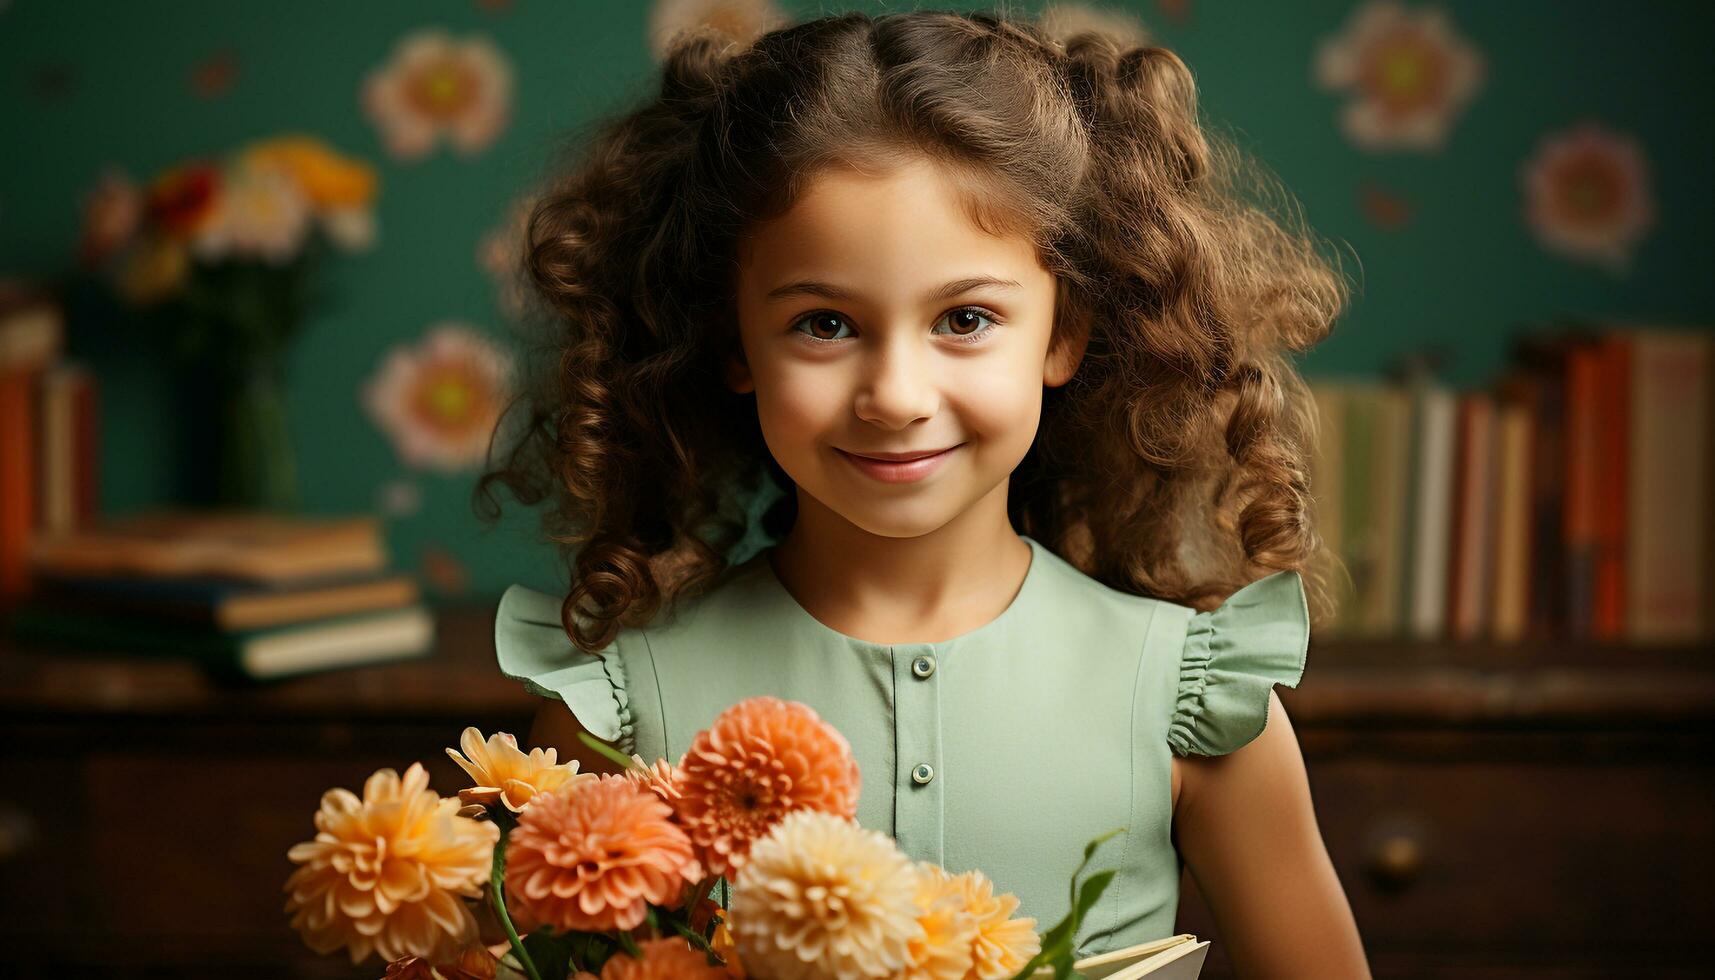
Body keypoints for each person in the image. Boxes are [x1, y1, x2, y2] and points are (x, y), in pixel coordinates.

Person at [475, 8, 1369, 976]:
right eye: (823, 323)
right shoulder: (613, 713)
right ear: (734, 344)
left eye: (966, 317)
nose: (896, 396)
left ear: (1063, 333)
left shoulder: (1194, 705)